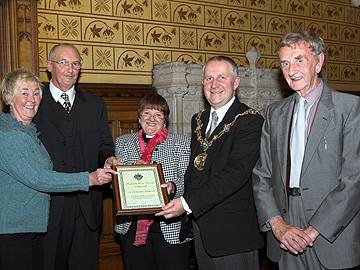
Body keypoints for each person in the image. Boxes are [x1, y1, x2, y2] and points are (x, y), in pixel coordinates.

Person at [252, 31, 360, 270]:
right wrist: (278, 225)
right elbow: (262, 176)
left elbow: (354, 180)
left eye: (299, 60)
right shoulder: (274, 113)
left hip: (330, 229)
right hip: (285, 224)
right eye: (285, 63)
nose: (291, 70)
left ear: (319, 62)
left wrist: (313, 231)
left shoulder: (350, 108)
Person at [156, 56, 264, 270]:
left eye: (222, 77)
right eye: (209, 78)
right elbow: (197, 169)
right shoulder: (199, 119)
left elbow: (235, 174)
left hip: (233, 233)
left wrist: (186, 204)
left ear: (236, 82)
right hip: (201, 228)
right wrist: (175, 188)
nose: (214, 85)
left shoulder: (250, 120)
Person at [0, 69, 115, 270]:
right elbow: (38, 178)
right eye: (24, 92)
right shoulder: (10, 135)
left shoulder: (28, 133)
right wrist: (89, 179)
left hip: (30, 228)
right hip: (14, 231)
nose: (32, 99)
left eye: (36, 93)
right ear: (9, 97)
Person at [33, 44, 117, 270]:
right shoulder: (33, 103)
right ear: (49, 66)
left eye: (76, 64)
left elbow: (104, 145)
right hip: (48, 208)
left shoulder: (95, 105)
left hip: (87, 208)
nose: (71, 69)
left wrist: (108, 159)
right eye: (63, 63)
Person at [114, 93, 192, 270]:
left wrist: (172, 187)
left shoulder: (181, 143)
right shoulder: (123, 143)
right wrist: (128, 173)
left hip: (170, 224)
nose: (151, 119)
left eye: (158, 114)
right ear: (139, 118)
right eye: (147, 113)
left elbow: (190, 181)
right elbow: (113, 184)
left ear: (165, 120)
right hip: (132, 226)